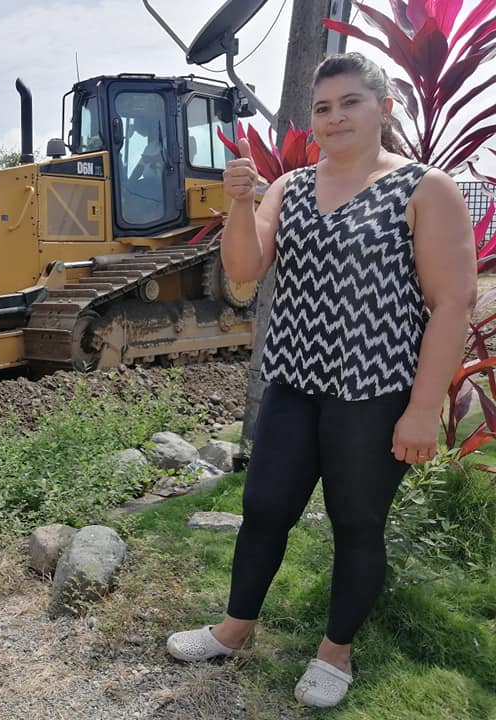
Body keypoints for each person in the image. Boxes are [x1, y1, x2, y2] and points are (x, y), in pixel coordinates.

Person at [165, 52, 477, 708]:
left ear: (383, 109)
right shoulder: (292, 187)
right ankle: (235, 628)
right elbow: (244, 270)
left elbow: (452, 302)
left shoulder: (425, 188)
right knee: (264, 508)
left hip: (375, 389)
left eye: (350, 102)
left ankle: (335, 652)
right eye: (323, 107)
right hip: (295, 380)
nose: (334, 117)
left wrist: (423, 409)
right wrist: (241, 202)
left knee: (356, 521)